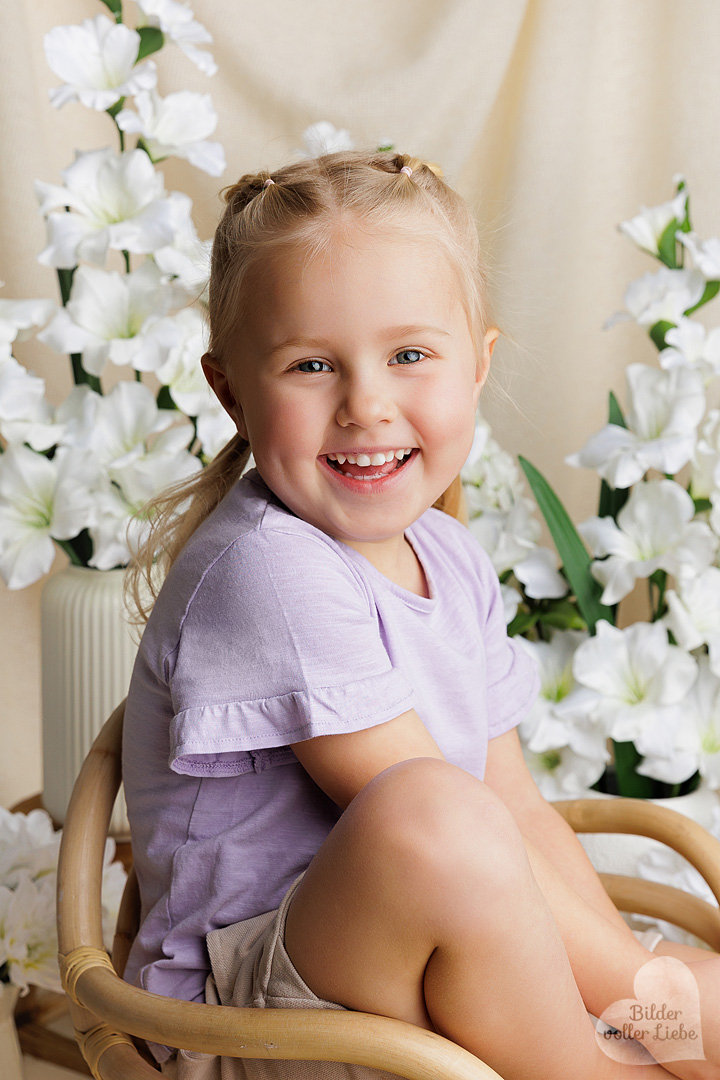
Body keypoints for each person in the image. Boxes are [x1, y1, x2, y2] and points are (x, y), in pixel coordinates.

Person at [122, 150, 720, 1080]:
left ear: (477, 364)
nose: (366, 404)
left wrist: (636, 989)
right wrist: (647, 1000)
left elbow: (519, 812)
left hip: (398, 974)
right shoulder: (270, 569)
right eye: (311, 364)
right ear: (231, 387)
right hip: (249, 1025)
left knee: (498, 823)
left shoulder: (448, 555)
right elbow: (430, 833)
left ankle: (625, 1045)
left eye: (409, 355)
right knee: (431, 807)